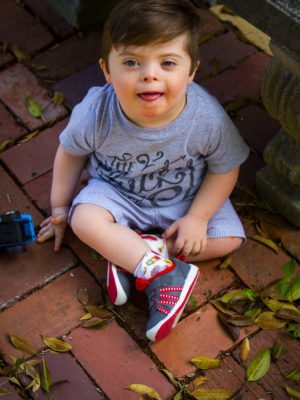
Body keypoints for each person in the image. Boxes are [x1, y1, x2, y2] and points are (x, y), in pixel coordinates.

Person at [37, 0, 249, 341]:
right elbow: (71, 153)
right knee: (84, 219)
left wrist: (198, 217)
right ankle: (163, 274)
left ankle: (131, 254)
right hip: (116, 193)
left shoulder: (206, 117)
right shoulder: (97, 112)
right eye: (132, 62)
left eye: (167, 62)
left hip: (186, 197)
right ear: (107, 70)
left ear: (192, 70)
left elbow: (226, 167)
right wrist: (60, 207)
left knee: (229, 238)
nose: (150, 74)